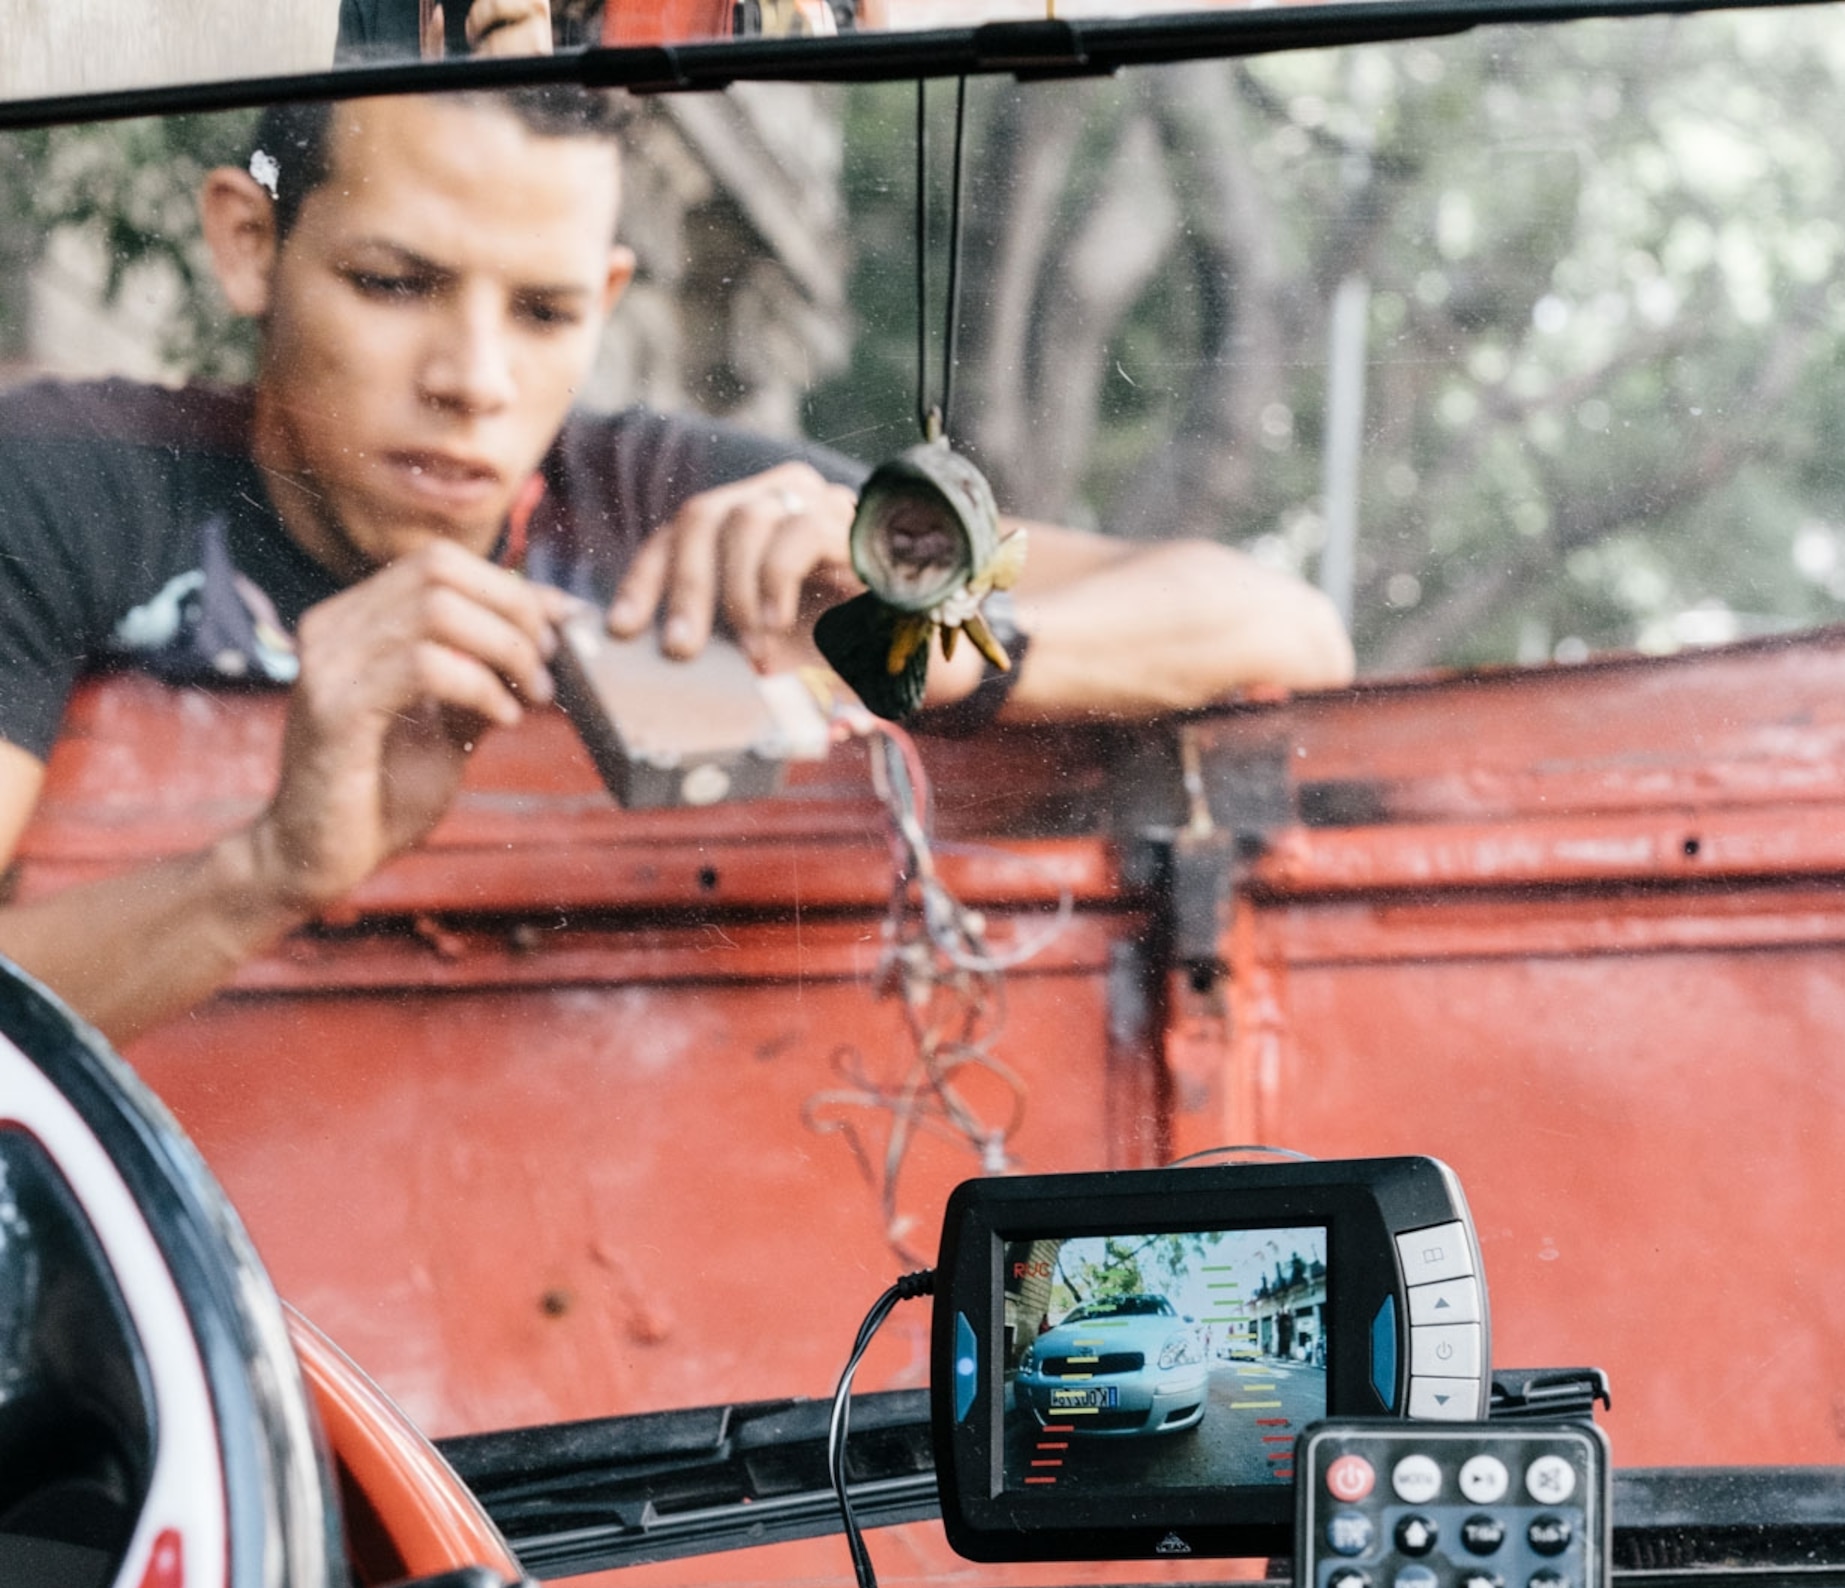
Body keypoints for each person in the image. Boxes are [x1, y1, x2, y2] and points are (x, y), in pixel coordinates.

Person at [0, 86, 1352, 1048]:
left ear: (607, 297)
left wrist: (920, 637)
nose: (475, 380)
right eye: (396, 283)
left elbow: (1277, 623)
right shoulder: (59, 486)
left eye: (541, 312)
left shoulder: (659, 497)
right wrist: (275, 865)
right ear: (251, 242)